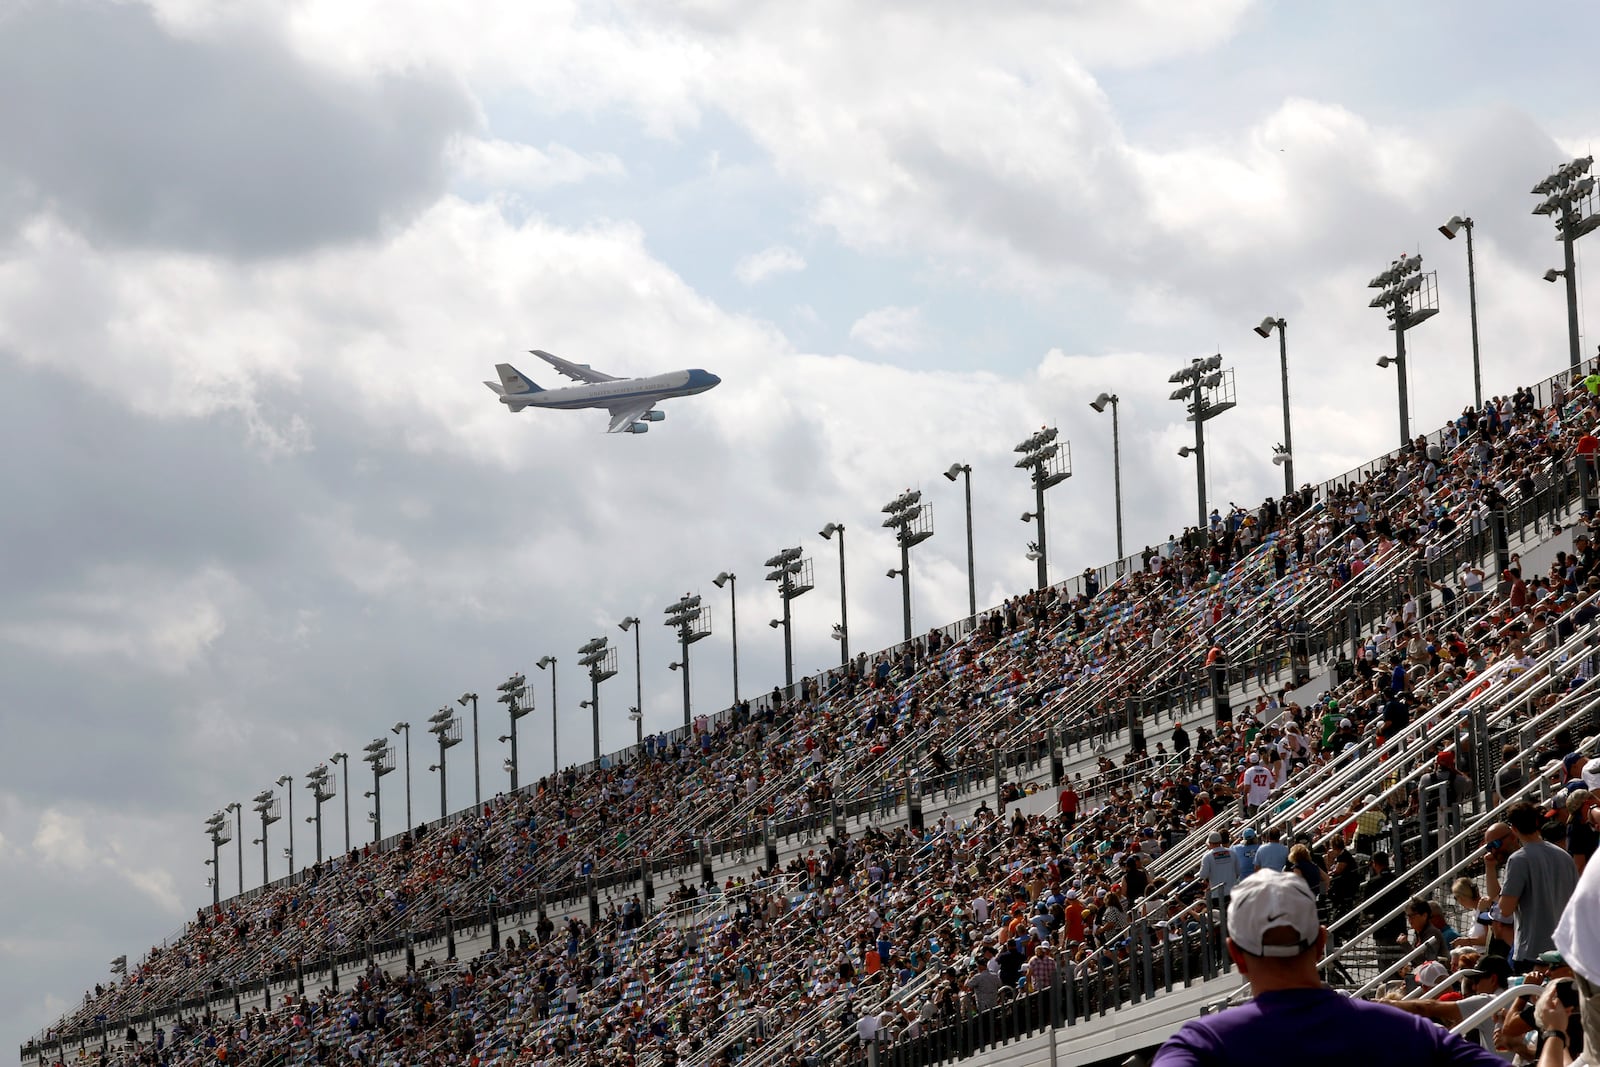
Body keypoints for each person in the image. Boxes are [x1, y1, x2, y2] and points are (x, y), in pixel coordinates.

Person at [1151, 870, 1505, 1065]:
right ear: (1321, 942)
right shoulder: (1410, 1033)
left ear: (1236, 955)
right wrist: (1551, 1032)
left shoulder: (1198, 1046)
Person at [1495, 801, 1579, 972]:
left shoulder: (1518, 859)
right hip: (1565, 949)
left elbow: (1505, 909)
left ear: (1514, 829)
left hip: (1533, 953)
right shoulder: (1564, 856)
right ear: (1536, 822)